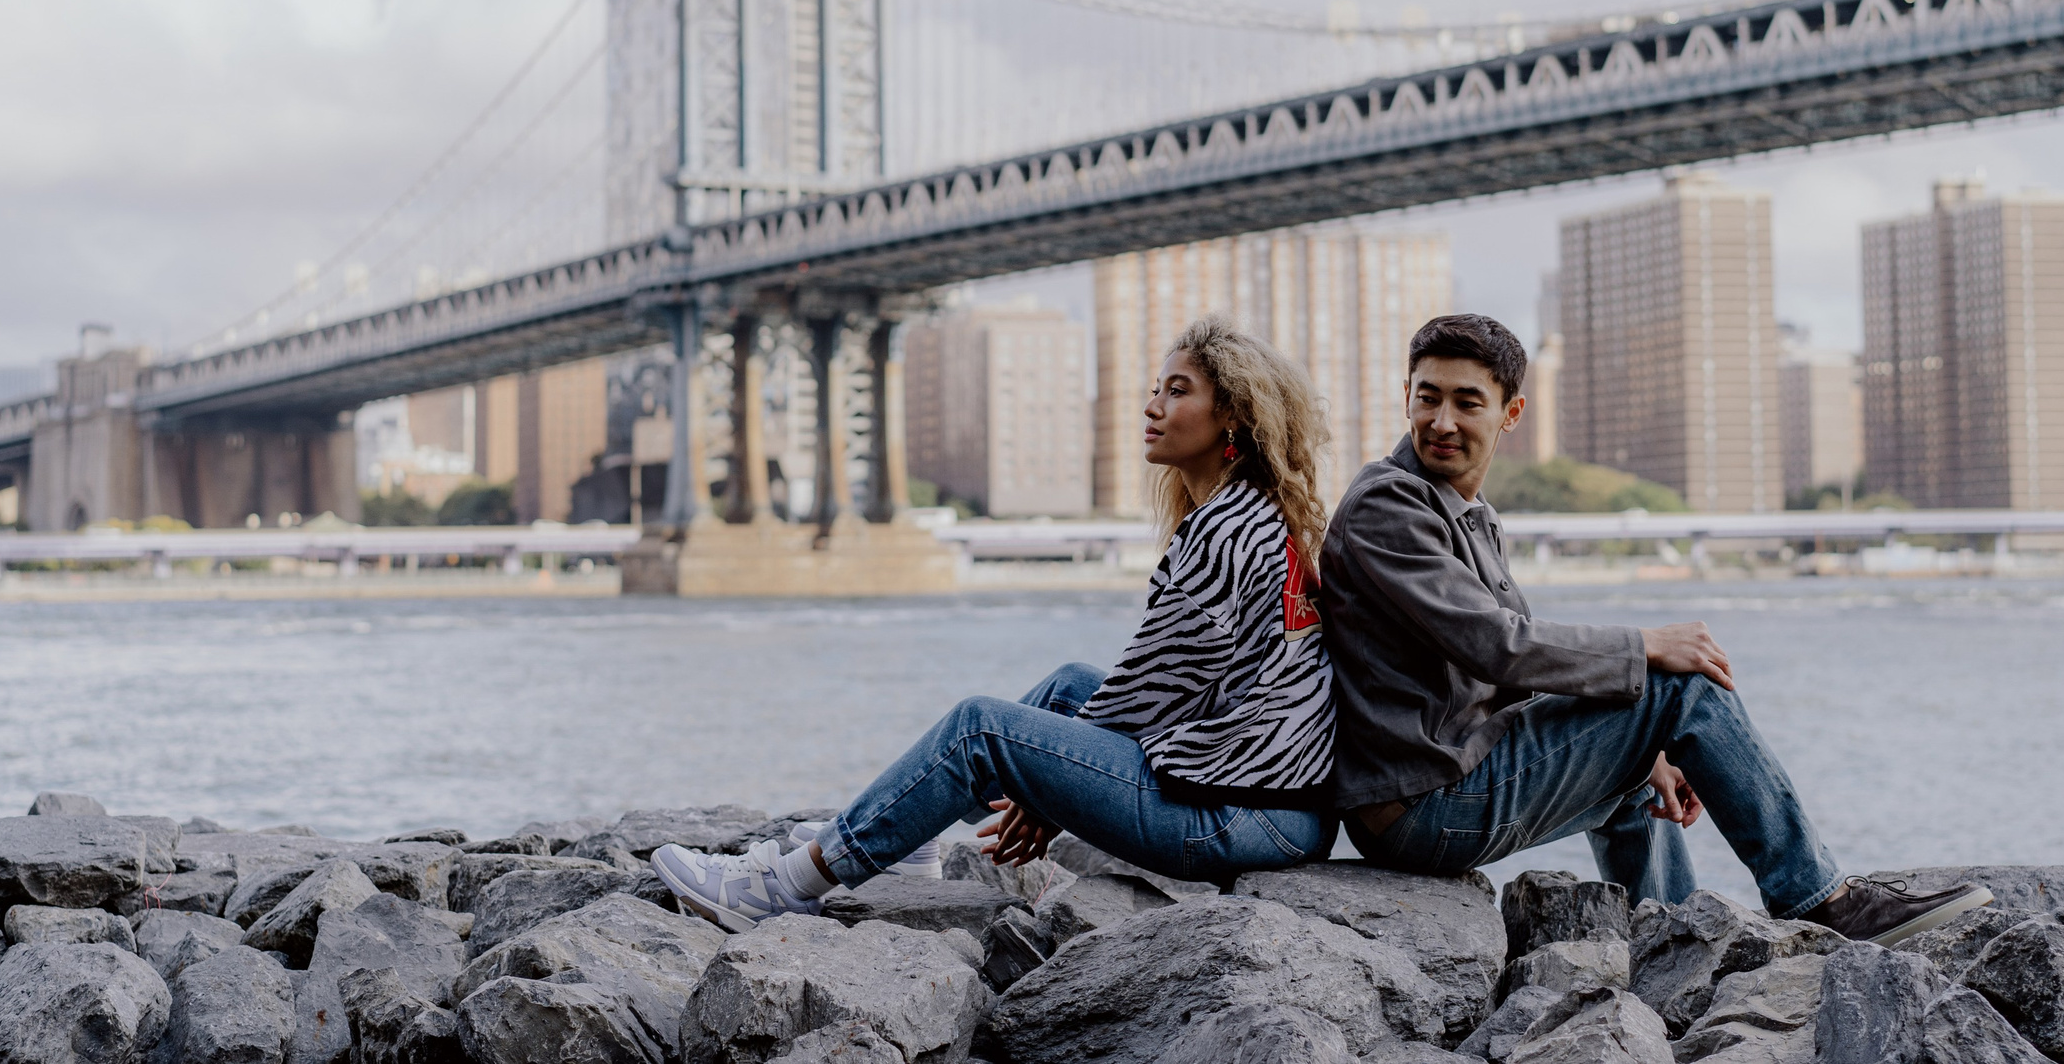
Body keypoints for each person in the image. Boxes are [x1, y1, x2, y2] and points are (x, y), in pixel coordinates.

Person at [1317, 312, 1991, 946]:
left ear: (1510, 413)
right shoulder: (1388, 504)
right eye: (1427, 397)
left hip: (1446, 783)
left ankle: (1666, 948)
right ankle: (1819, 900)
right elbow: (1497, 647)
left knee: (1646, 744)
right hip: (1421, 807)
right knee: (1681, 688)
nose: (1441, 420)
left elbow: (1504, 674)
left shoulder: (1468, 512)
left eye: (1467, 402)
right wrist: (1644, 646)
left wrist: (1647, 750)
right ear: (1405, 395)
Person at [652, 315, 1339, 929]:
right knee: (1073, 684)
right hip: (1269, 804)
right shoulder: (1252, 514)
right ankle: (907, 836)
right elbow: (1173, 693)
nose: (1152, 405)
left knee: (981, 727)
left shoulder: (1226, 532)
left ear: (1234, 418)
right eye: (1157, 386)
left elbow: (1143, 697)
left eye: (1178, 390)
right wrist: (1047, 786)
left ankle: (782, 886)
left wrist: (1041, 798)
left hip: (1237, 817)